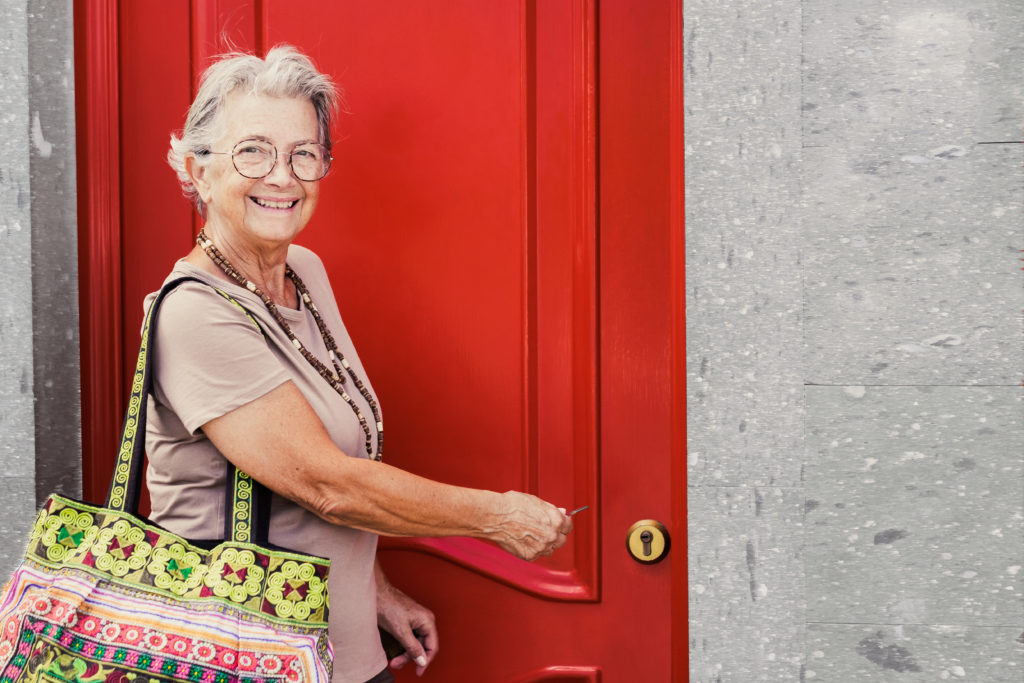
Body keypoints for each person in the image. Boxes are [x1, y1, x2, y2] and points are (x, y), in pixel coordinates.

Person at [148, 45, 573, 683]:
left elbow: (341, 456)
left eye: (303, 153)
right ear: (198, 169)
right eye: (253, 151)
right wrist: (498, 517)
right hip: (246, 663)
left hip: (348, 659)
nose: (282, 176)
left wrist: (373, 589)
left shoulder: (305, 274)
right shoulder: (195, 314)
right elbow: (327, 484)